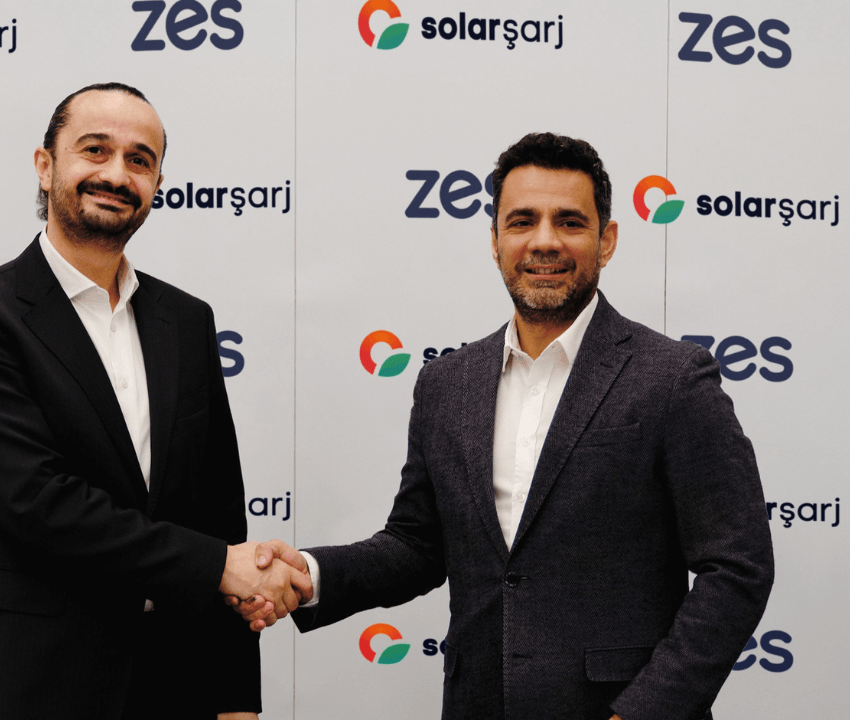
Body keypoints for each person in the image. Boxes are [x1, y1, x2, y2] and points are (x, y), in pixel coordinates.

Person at [235, 133, 774, 720]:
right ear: (495, 241)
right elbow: (416, 546)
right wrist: (308, 575)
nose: (544, 241)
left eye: (569, 221)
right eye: (522, 221)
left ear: (607, 239)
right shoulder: (446, 384)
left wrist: (641, 713)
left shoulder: (673, 378)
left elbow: (737, 566)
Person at [0, 82, 308, 720]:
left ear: (156, 183)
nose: (116, 175)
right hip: (25, 683)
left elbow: (217, 513)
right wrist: (218, 566)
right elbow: (37, 503)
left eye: (139, 159)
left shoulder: (186, 320)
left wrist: (235, 696)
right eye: (94, 150)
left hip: (172, 686)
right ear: (45, 165)